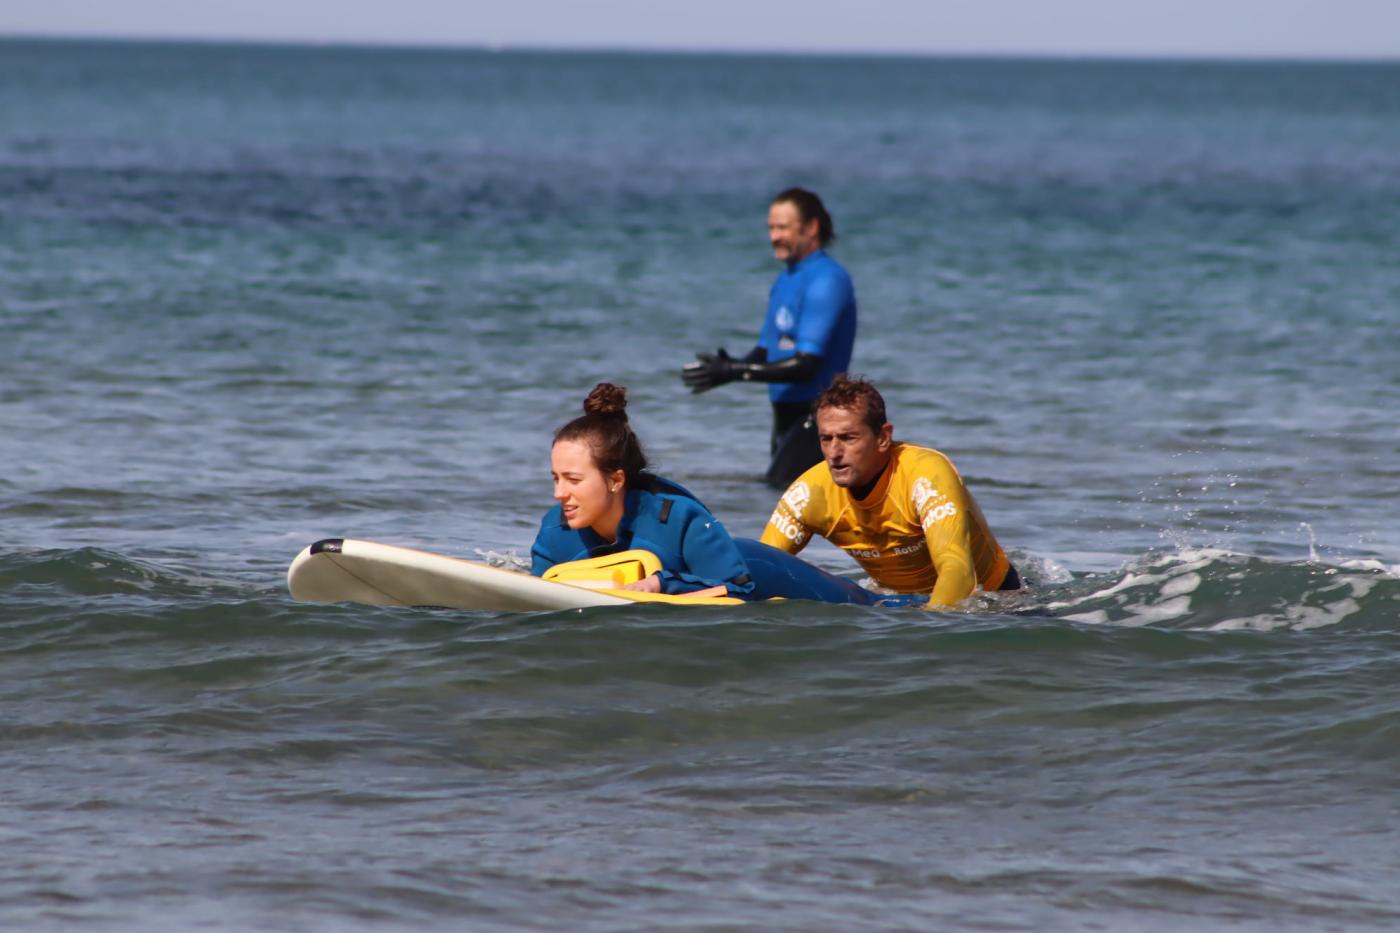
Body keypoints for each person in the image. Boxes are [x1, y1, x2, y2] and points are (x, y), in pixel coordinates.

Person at [759, 376, 1022, 609]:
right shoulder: (808, 494)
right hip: (898, 604)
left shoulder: (926, 475)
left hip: (997, 602)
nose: (834, 453)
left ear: (883, 437)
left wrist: (928, 628)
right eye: (826, 439)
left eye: (848, 438)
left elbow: (957, 570)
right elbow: (760, 566)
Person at [681, 187, 857, 489]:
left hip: (817, 419)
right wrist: (727, 367)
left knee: (781, 492)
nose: (774, 237)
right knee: (780, 494)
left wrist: (736, 372)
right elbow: (767, 350)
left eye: (783, 228)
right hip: (784, 417)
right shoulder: (785, 279)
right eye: (771, 228)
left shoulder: (827, 279)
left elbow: (807, 365)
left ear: (811, 227)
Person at [532, 383, 757, 597]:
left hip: (761, 566)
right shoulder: (554, 530)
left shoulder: (679, 519)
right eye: (556, 478)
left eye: (573, 479)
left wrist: (661, 584)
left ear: (615, 480)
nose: (559, 493)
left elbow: (743, 592)